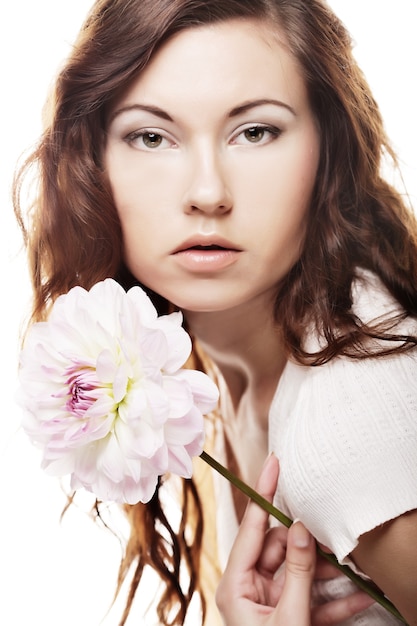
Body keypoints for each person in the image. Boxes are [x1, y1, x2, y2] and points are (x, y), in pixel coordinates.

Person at [13, 0, 417, 624]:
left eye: (255, 131)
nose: (208, 193)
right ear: (91, 165)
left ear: (328, 150)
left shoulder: (348, 422)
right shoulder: (220, 369)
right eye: (152, 136)